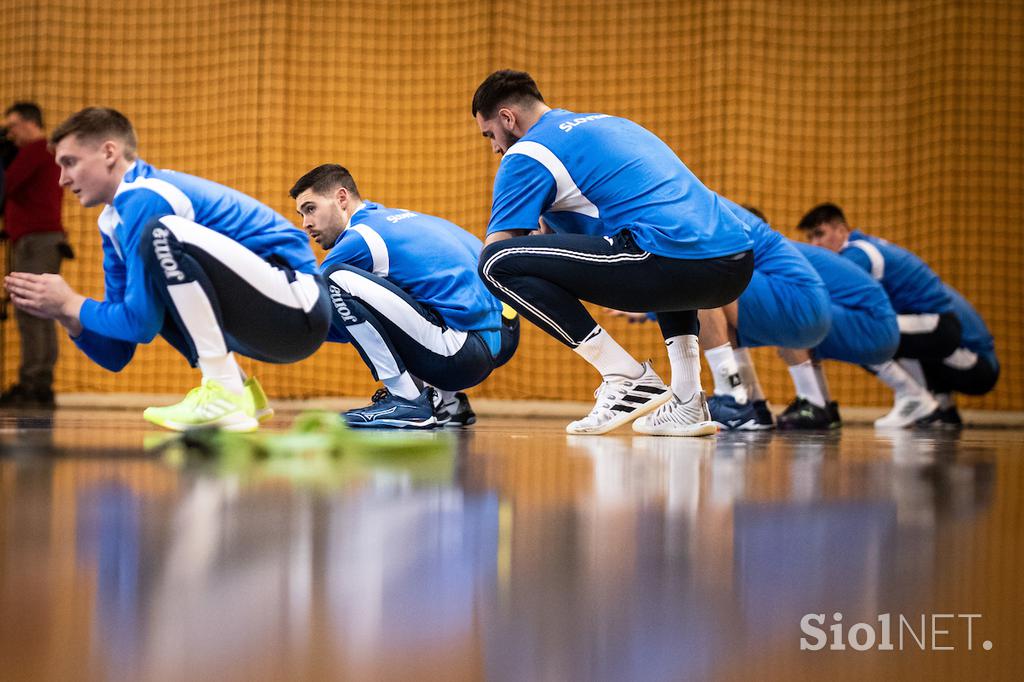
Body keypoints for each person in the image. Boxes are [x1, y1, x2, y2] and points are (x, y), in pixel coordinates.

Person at [3, 107, 331, 431]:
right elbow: (119, 348)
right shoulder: (113, 221)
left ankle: (224, 391)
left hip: (299, 307)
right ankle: (241, 392)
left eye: (70, 163)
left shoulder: (146, 197)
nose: (62, 179)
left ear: (108, 152)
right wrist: (67, 315)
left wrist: (71, 302)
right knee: (156, 276)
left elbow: (141, 322)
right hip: (268, 322)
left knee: (161, 234)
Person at [472, 70, 754, 436]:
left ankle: (624, 377)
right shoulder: (610, 124)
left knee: (494, 264)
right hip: (733, 264)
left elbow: (500, 246)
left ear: (508, 118)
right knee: (666, 243)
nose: (495, 147)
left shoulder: (527, 152)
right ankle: (687, 401)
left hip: (668, 259)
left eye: (490, 134)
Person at [289, 164, 519, 429]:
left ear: (342, 198)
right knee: (414, 292)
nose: (305, 223)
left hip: (463, 354)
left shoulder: (360, 238)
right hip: (505, 334)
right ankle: (448, 403)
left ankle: (406, 400)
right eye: (301, 214)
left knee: (336, 280)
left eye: (310, 209)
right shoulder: (402, 219)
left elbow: (316, 311)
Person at [797, 203, 958, 428]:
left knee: (860, 333)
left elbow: (825, 299)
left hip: (936, 325)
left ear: (842, 230)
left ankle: (914, 397)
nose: (815, 244)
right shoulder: (862, 247)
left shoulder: (856, 255)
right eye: (810, 238)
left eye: (819, 234)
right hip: (924, 322)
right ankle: (923, 404)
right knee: (871, 331)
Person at [0, 102, 66, 408]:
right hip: (38, 241)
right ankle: (39, 383)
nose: (11, 134)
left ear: (29, 123)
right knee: (41, 311)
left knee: (31, 311)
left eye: (13, 126)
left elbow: (7, 185)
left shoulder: (36, 151)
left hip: (36, 242)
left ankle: (34, 383)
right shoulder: (44, 153)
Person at [913, 284, 999, 428]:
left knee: (903, 339)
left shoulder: (921, 293)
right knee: (915, 337)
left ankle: (926, 407)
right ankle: (944, 407)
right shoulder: (928, 287)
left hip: (979, 367)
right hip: (979, 363)